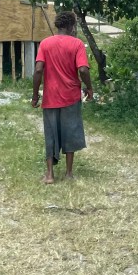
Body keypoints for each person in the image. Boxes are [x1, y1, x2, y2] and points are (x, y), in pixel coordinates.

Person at [31, 11, 94, 183]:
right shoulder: (77, 44)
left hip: (50, 97)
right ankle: (68, 173)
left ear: (58, 25)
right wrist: (89, 87)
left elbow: (38, 70)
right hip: (71, 96)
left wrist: (35, 95)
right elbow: (83, 69)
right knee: (70, 132)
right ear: (72, 26)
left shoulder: (45, 43)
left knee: (50, 133)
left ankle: (50, 175)